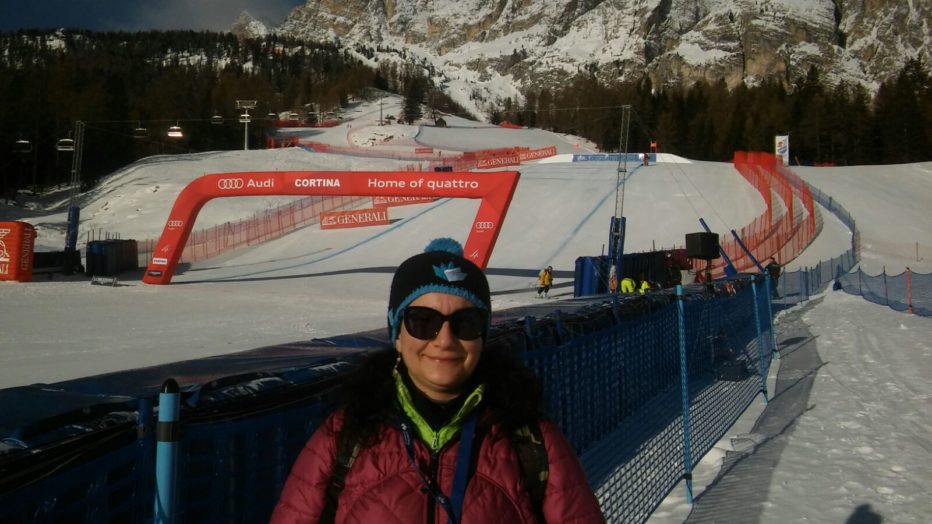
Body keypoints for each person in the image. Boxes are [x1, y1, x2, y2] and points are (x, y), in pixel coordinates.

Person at [271, 239, 604, 524]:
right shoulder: (345, 437)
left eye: (465, 323)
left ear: (483, 336)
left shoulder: (529, 438)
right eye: (423, 321)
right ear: (397, 334)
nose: (444, 340)